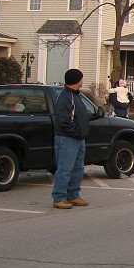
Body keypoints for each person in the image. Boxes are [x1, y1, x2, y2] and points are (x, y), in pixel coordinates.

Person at [51, 68, 91, 209]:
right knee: (65, 168)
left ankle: (74, 195)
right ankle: (59, 197)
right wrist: (77, 131)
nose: (82, 81)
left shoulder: (76, 95)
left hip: (78, 138)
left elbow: (79, 115)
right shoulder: (65, 97)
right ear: (76, 80)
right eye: (81, 78)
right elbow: (64, 120)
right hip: (67, 138)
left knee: (77, 168)